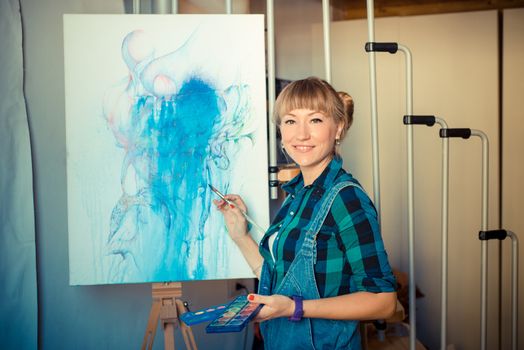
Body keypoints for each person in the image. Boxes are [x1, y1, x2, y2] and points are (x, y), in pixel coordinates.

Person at [213, 77, 397, 349]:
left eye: (315, 120)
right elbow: (284, 280)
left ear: (338, 128)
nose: (301, 134)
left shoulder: (347, 198)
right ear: (280, 131)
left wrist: (294, 308)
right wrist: (240, 235)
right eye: (290, 121)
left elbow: (383, 302)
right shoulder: (297, 194)